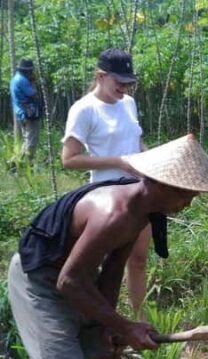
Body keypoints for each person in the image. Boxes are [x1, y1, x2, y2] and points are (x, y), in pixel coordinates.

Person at [8, 135, 208, 359]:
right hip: (40, 281)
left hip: (79, 277)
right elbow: (67, 282)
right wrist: (125, 326)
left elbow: (112, 272)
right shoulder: (113, 212)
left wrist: (109, 328)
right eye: (185, 195)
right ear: (160, 184)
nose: (188, 204)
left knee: (107, 355)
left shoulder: (142, 212)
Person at [61, 48, 150, 320]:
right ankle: (101, 320)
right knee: (105, 265)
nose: (124, 88)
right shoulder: (84, 109)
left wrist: (151, 165)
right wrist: (118, 162)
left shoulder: (129, 104)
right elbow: (70, 159)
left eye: (128, 83)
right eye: (119, 82)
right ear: (101, 76)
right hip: (106, 200)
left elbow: (137, 142)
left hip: (139, 192)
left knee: (138, 259)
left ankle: (141, 319)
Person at [10, 57, 41, 162]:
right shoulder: (23, 80)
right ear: (28, 70)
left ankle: (16, 162)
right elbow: (33, 94)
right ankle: (23, 164)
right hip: (28, 114)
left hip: (21, 113)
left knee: (26, 139)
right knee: (32, 141)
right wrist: (33, 83)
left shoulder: (15, 78)